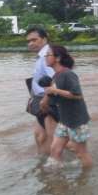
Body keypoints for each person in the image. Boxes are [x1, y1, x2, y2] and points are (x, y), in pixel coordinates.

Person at [43, 45, 93, 168]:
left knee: (81, 154)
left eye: (48, 54)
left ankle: (86, 180)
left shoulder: (68, 74)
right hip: (64, 120)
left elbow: (77, 95)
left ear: (58, 58)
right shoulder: (56, 76)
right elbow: (57, 98)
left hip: (77, 120)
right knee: (55, 150)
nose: (45, 57)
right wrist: (47, 97)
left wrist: (55, 90)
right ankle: (58, 179)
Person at [25, 27, 59, 155]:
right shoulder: (41, 55)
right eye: (28, 41)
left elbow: (55, 81)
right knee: (39, 136)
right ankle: (42, 164)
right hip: (40, 100)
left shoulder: (47, 56)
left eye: (34, 40)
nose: (31, 43)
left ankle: (78, 155)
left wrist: (46, 99)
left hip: (49, 101)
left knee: (53, 137)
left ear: (44, 39)